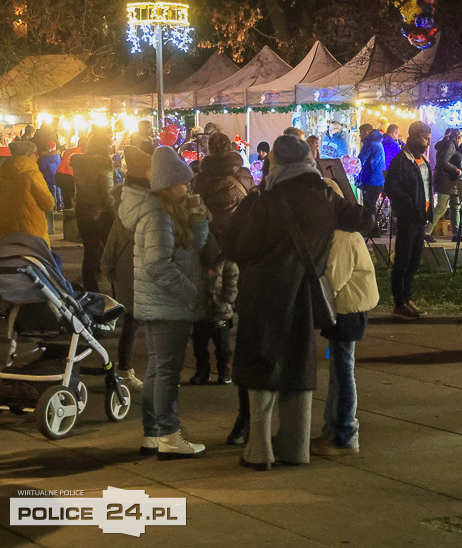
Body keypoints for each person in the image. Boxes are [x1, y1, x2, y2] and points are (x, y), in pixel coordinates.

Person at [223, 134, 373, 471]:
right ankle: (295, 447)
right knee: (296, 365)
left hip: (263, 292)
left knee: (262, 364)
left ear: (275, 162)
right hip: (303, 293)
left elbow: (235, 245)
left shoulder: (261, 200)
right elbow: (365, 219)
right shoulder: (324, 197)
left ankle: (259, 450)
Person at [121, 146, 209, 459]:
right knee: (166, 373)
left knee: (158, 371)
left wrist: (198, 220)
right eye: (185, 182)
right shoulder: (158, 216)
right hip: (167, 305)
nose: (189, 187)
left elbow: (191, 248)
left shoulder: (168, 213)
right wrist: (191, 292)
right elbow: (158, 264)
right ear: (171, 185)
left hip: (161, 304)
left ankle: (153, 434)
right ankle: (169, 436)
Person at [310, 206, 380, 457]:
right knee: (339, 373)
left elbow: (332, 282)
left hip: (346, 314)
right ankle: (334, 431)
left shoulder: (341, 239)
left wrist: (312, 309)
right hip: (350, 312)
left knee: (342, 375)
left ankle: (345, 435)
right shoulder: (350, 236)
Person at [190, 132, 255, 386]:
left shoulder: (201, 180)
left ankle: (214, 326)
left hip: (212, 239)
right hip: (240, 237)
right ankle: (229, 329)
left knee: (212, 283)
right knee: (235, 282)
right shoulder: (244, 174)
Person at [100, 145, 154, 393]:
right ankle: (129, 371)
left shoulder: (127, 200)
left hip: (128, 268)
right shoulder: (147, 202)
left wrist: (108, 263)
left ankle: (128, 370)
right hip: (142, 268)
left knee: (134, 322)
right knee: (142, 322)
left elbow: (113, 237)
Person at [383, 121, 433, 321]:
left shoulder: (423, 162)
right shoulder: (401, 162)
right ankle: (399, 301)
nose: (427, 142)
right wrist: (410, 203)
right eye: (424, 137)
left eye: (428, 137)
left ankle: (407, 297)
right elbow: (391, 188)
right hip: (408, 218)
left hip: (421, 218)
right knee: (403, 260)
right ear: (412, 137)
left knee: (414, 260)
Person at [71, 132, 116, 292]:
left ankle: (90, 283)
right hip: (100, 213)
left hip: (82, 210)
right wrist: (116, 211)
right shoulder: (103, 163)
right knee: (109, 249)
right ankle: (113, 285)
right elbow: (108, 193)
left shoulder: (80, 163)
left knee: (90, 249)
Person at [0, 140, 55, 245]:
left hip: (6, 234)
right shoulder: (32, 175)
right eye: (35, 153)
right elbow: (48, 203)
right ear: (28, 155)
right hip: (31, 233)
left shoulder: (3, 175)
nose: (38, 156)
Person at [428, 129, 462, 242]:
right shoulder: (450, 145)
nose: (461, 142)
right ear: (458, 138)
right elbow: (444, 162)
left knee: (455, 208)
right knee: (441, 207)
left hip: (452, 182)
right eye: (461, 140)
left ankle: (456, 234)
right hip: (447, 181)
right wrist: (457, 170)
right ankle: (427, 231)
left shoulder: (446, 144)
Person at [357, 124, 386, 213]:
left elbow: (360, 160)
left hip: (371, 180)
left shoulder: (370, 144)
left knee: (368, 207)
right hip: (378, 179)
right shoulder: (377, 143)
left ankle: (370, 225)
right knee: (371, 205)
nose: (360, 135)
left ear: (366, 132)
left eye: (361, 132)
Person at [55, 138, 83, 211]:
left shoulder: (69, 151)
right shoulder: (83, 152)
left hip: (60, 175)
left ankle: (67, 217)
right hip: (70, 176)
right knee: (76, 197)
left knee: (66, 198)